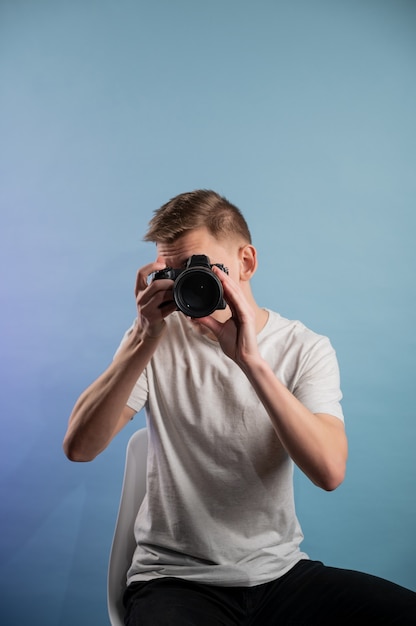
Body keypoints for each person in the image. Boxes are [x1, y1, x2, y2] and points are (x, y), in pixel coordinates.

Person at [63, 190, 416, 625]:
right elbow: (79, 448)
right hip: (175, 580)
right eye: (172, 273)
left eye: (199, 268)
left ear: (246, 262)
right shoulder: (155, 340)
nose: (188, 285)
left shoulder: (304, 347)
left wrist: (250, 360)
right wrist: (143, 336)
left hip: (280, 573)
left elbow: (329, 472)